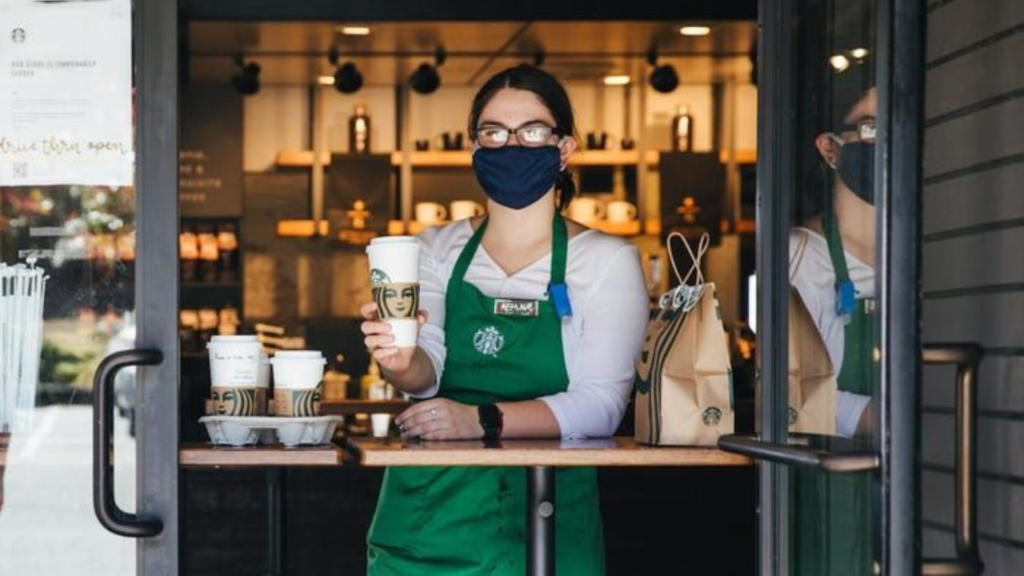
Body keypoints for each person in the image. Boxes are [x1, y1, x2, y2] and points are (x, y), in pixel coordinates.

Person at [359, 66, 649, 576]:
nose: (511, 145)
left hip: (546, 519)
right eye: (494, 132)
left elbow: (601, 406)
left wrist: (480, 419)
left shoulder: (606, 260)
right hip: (428, 521)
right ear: (475, 146)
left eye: (532, 131)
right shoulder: (434, 248)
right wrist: (400, 361)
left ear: (564, 148)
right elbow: (424, 373)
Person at [789, 87, 878, 576]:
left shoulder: (926, 255)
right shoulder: (801, 254)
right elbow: (792, 392)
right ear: (830, 147)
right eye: (870, 127)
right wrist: (879, 417)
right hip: (830, 489)